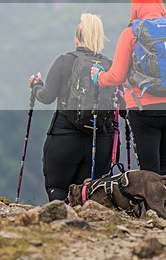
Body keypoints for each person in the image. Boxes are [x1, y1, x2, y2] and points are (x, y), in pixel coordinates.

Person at [28, 13, 114, 201]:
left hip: (64, 137)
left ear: (76, 39)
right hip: (99, 142)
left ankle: (61, 227)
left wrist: (35, 85)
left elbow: (46, 97)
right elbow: (119, 107)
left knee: (58, 189)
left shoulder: (65, 61)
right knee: (88, 196)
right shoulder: (109, 66)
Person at [92, 0, 166, 174]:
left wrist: (98, 77)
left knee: (150, 172)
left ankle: (153, 204)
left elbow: (117, 76)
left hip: (142, 109)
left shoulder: (131, 33)